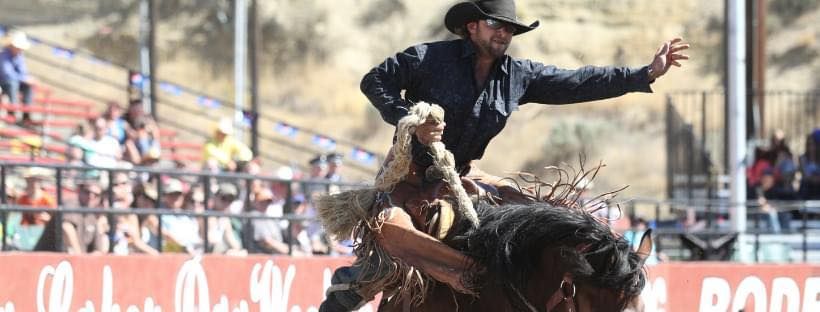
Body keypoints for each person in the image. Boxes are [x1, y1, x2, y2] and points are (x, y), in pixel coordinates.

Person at [322, 0, 690, 310]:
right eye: (495, 24)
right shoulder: (428, 58)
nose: (504, 33)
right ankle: (353, 285)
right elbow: (374, 80)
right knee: (392, 238)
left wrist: (644, 74)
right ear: (471, 26)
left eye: (509, 28)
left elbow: (578, 82)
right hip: (410, 179)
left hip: (464, 180)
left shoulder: (518, 75)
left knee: (543, 218)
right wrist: (409, 121)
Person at [35, 180, 110, 254]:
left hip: (69, 261)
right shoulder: (70, 204)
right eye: (87, 192)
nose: (91, 196)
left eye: (96, 195)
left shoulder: (92, 215)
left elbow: (98, 249)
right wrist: (79, 256)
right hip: (48, 259)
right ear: (79, 191)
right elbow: (66, 228)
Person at [0, 31, 34, 124]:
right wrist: (23, 78)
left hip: (13, 81)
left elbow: (23, 71)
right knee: (12, 83)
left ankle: (26, 114)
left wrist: (26, 79)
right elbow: (7, 73)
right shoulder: (3, 55)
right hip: (3, 82)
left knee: (28, 86)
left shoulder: (19, 56)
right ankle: (12, 111)